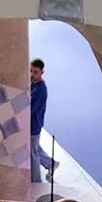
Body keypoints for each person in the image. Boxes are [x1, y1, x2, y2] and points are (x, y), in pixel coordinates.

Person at [30, 57, 57, 185]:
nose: (32, 74)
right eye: (30, 71)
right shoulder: (32, 83)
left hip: (33, 126)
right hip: (32, 124)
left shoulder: (40, 90)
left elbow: (30, 109)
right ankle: (51, 163)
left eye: (35, 72)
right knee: (35, 147)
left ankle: (36, 182)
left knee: (32, 152)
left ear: (42, 72)